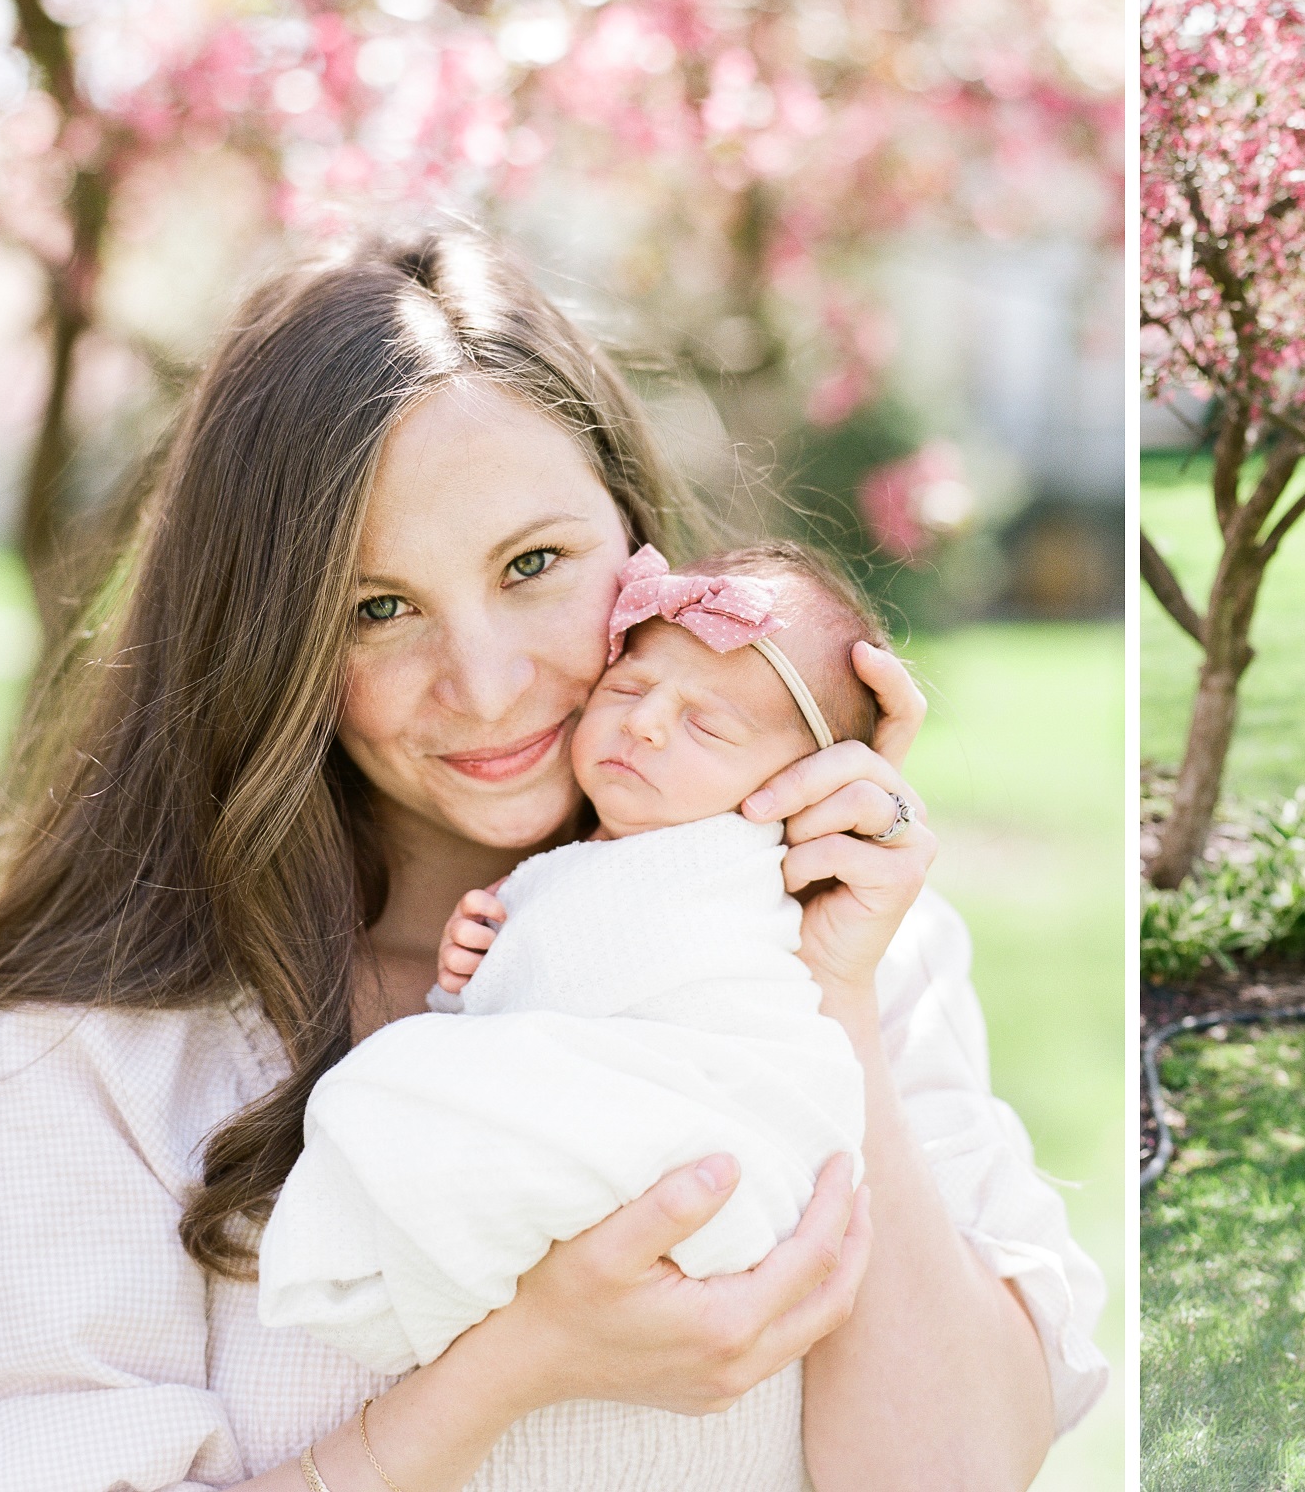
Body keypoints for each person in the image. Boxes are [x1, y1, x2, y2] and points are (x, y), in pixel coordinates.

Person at [0, 233, 1103, 1492]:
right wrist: (518, 1363)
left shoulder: (844, 950)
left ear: (638, 545)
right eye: (377, 609)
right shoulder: (109, 1038)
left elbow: (957, 1472)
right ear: (265, 646)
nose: (486, 686)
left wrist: (837, 995)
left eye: (534, 566)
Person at [258, 541, 894, 1378]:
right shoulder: (586, 868)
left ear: (796, 783)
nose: (644, 722)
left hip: (713, 1151)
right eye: (626, 688)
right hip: (642, 1141)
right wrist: (476, 969)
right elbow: (538, 997)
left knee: (379, 1087)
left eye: (706, 725)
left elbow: (590, 988)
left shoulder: (731, 868)